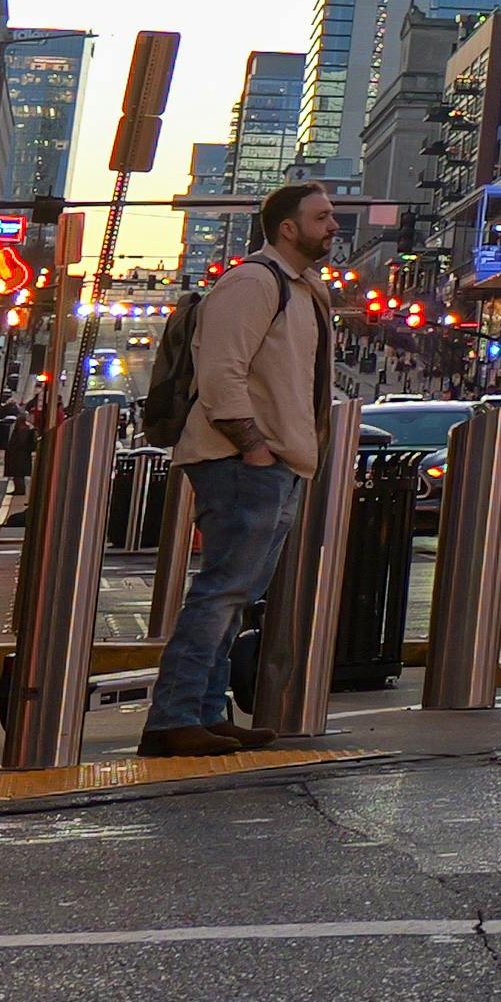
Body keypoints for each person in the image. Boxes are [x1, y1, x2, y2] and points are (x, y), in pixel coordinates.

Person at [144, 182, 344, 760]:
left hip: (277, 463)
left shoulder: (301, 288)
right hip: (242, 462)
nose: (333, 226)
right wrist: (254, 446)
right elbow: (221, 374)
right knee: (219, 593)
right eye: (322, 217)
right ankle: (172, 718)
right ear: (288, 227)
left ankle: (206, 713)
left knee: (236, 595)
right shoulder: (255, 282)